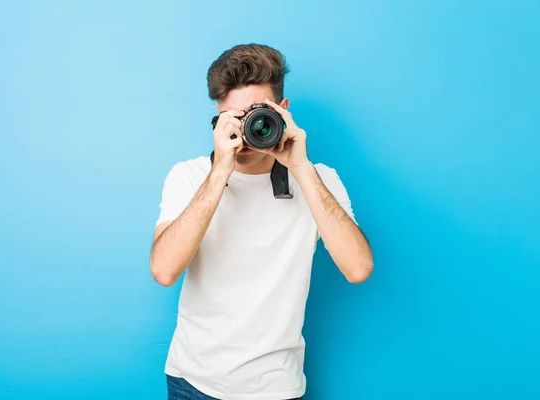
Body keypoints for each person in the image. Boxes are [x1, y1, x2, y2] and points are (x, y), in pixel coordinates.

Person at [150, 43, 374, 400]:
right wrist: (221, 170)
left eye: (257, 115)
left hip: (277, 387)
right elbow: (163, 271)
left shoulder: (319, 180)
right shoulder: (190, 176)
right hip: (194, 382)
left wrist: (299, 167)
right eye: (234, 118)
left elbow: (358, 268)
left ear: (282, 112)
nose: (247, 131)